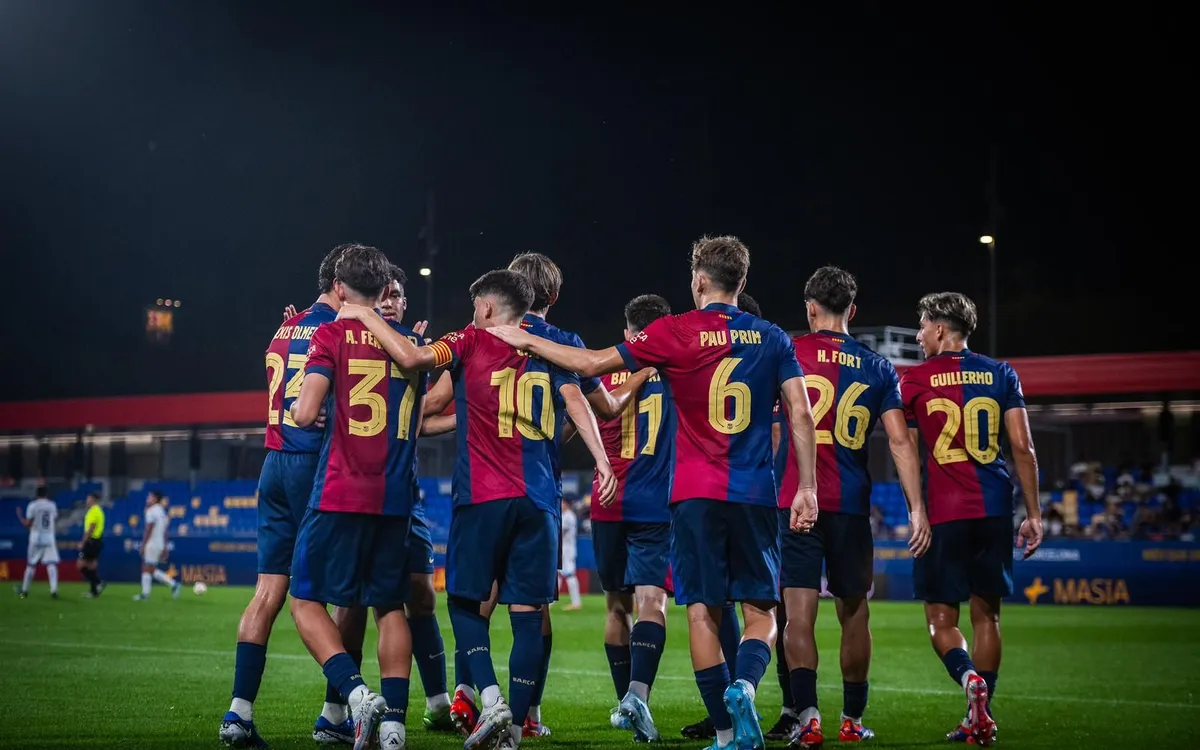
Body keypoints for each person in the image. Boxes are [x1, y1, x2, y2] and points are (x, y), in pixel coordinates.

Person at [488, 235, 819, 750]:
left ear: (699, 280)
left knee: (701, 612)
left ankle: (729, 733)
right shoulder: (774, 337)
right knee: (761, 612)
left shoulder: (674, 332)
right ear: (743, 282)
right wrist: (809, 487)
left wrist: (528, 341)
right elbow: (800, 412)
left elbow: (594, 363)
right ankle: (745, 685)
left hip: (690, 495)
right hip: (755, 492)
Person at [337, 269, 616, 750]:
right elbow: (578, 401)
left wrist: (363, 313)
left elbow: (414, 357)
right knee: (529, 614)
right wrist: (602, 460)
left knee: (465, 602)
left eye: (475, 307)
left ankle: (489, 699)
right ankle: (511, 733)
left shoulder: (468, 339)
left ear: (486, 307)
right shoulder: (549, 345)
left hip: (483, 496)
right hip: (540, 501)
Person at [771, 266, 929, 748]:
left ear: (809, 307)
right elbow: (901, 443)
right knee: (855, 612)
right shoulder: (879, 367)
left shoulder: (788, 352)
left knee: (796, 615)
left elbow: (773, 427)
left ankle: (808, 716)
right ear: (853, 311)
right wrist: (916, 508)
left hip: (795, 500)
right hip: (851, 505)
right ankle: (853, 720)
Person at [502, 252, 652, 738]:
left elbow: (436, 395)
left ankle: (471, 693)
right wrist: (642, 369)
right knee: (535, 606)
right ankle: (528, 715)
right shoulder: (563, 344)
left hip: (478, 486)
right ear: (555, 296)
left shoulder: (477, 334)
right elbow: (601, 407)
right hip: (538, 487)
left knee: (474, 601)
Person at [287, 245, 428, 750]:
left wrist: (320, 408)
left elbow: (304, 414)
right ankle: (394, 726)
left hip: (340, 489)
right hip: (395, 498)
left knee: (304, 600)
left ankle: (355, 692)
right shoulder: (412, 342)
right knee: (389, 608)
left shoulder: (330, 334)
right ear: (386, 289)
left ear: (341, 289)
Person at [312, 265, 456, 741]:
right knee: (364, 603)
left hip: (384, 490)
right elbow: (424, 411)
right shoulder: (408, 348)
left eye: (399, 295)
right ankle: (343, 710)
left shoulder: (383, 342)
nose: (392, 302)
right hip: (389, 491)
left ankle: (429, 702)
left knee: (416, 594)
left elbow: (420, 418)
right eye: (385, 294)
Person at [899, 292, 1043, 747]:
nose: (919, 335)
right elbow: (1023, 447)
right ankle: (981, 714)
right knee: (988, 618)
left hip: (944, 512)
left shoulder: (917, 379)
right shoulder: (1002, 374)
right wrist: (1034, 513)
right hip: (996, 507)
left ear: (941, 329)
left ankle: (968, 682)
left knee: (941, 621)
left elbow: (898, 441)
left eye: (922, 326)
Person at [221, 243, 345, 749]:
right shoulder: (336, 332)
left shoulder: (281, 330)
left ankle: (238, 713)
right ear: (341, 286)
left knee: (266, 591)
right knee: (343, 592)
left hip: (271, 461)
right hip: (310, 463)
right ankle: (339, 708)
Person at [586, 293, 678, 742]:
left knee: (615, 606)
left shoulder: (603, 369)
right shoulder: (679, 373)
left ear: (628, 333)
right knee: (652, 603)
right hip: (656, 502)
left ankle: (626, 702)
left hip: (606, 501)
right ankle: (636, 699)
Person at [133, 490, 180, 601]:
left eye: (149, 497)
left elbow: (148, 529)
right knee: (151, 569)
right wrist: (165, 546)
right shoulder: (162, 512)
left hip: (152, 543)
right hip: (159, 543)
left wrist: (143, 545)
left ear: (154, 499)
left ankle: (145, 594)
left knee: (146, 568)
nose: (147, 499)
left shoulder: (151, 511)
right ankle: (174, 584)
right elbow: (166, 531)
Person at [15, 486, 60, 600]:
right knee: (51, 564)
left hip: (36, 537)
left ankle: (24, 591)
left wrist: (20, 517)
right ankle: (54, 590)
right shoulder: (52, 505)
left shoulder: (33, 505)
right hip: (49, 537)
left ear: (37, 494)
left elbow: (28, 523)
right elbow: (53, 519)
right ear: (46, 494)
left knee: (31, 564)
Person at [78, 492, 106, 598]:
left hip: (92, 541)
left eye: (88, 498)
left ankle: (98, 582)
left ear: (93, 500)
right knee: (92, 565)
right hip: (97, 541)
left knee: (81, 565)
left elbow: (91, 527)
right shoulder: (98, 510)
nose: (87, 500)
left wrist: (83, 542)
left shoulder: (94, 511)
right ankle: (93, 591)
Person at [559, 499, 582, 611]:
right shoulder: (565, 515)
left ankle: (576, 602)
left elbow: (560, 533)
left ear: (566, 504)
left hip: (567, 550)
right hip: (563, 549)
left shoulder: (568, 516)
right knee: (558, 574)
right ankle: (550, 601)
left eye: (562, 503)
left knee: (570, 575)